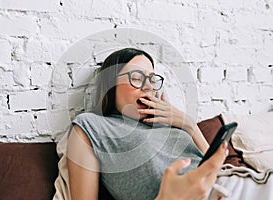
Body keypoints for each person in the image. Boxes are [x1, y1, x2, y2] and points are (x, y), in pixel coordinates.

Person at [65, 48, 229, 200]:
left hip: (234, 186)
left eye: (152, 79)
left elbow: (217, 168)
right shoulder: (92, 126)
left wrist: (189, 125)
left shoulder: (170, 122)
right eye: (136, 78)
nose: (149, 87)